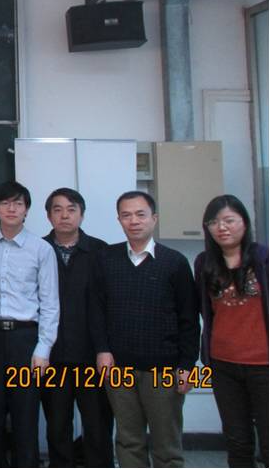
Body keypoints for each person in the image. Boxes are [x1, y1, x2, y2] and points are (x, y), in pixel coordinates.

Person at [94, 190, 199, 468]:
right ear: (119, 220)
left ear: (154, 218)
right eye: (126, 215)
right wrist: (102, 349)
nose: (134, 221)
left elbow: (189, 319)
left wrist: (187, 365)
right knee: (128, 442)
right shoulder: (106, 258)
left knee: (167, 446)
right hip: (119, 368)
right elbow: (97, 310)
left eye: (140, 214)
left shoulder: (174, 262)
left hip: (164, 369)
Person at [0, 180, 59, 468]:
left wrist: (43, 348)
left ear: (27, 209)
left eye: (18, 203)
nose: (11, 208)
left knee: (25, 413)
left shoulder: (41, 249)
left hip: (26, 340)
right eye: (5, 203)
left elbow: (50, 303)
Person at [40, 188, 113, 467]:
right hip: (52, 354)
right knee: (57, 424)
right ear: (49, 216)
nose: (64, 216)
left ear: (81, 214)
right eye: (57, 210)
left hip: (91, 354)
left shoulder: (101, 251)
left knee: (97, 423)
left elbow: (108, 304)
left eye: (71, 209)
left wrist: (105, 349)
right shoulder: (38, 249)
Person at [194, 195, 268, 467]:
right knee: (237, 440)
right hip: (223, 364)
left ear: (244, 223)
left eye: (229, 220)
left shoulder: (263, 258)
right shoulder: (204, 263)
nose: (221, 227)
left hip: (264, 364)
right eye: (213, 222)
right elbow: (205, 310)